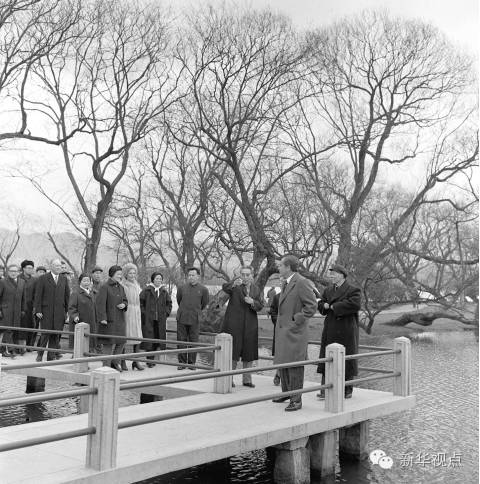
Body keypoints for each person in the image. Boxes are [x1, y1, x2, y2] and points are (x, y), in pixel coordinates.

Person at [272, 255, 317, 412]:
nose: (278, 268)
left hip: (295, 332)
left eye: (280, 265)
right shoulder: (286, 282)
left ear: (288, 267)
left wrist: (296, 319)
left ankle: (296, 400)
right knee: (284, 364)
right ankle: (286, 394)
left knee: (295, 366)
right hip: (284, 332)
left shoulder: (302, 282)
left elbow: (312, 306)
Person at [316, 264, 361, 400]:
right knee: (327, 358)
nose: (331, 276)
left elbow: (354, 305)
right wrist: (323, 305)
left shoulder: (353, 290)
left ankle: (347, 389)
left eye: (334, 274)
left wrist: (333, 306)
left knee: (347, 358)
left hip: (346, 329)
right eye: (331, 274)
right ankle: (325, 389)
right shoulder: (328, 290)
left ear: (342, 275)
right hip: (330, 327)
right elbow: (321, 303)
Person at [222, 266, 263, 388]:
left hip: (250, 325)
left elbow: (260, 306)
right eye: (243, 274)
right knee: (233, 352)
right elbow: (225, 287)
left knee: (249, 353)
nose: (245, 277)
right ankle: (229, 379)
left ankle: (247, 380)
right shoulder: (235, 286)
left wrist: (253, 302)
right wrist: (233, 283)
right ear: (240, 275)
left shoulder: (256, 289)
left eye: (247, 275)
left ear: (252, 276)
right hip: (234, 324)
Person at [34, 259, 70, 361]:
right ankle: (40, 355)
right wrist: (38, 310)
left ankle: (51, 356)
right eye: (56, 266)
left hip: (59, 312)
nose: (59, 268)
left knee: (55, 335)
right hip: (46, 311)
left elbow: (67, 296)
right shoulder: (43, 278)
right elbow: (38, 295)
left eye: (60, 266)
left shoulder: (64, 279)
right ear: (51, 266)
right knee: (45, 334)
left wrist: (66, 311)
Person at [95, 265, 128, 372]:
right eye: (118, 274)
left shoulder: (121, 287)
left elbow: (125, 300)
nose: (120, 276)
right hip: (108, 321)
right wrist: (102, 318)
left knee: (121, 341)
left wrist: (124, 304)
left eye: (121, 274)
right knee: (108, 344)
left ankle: (115, 362)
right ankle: (106, 367)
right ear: (112, 274)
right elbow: (100, 304)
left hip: (120, 320)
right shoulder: (105, 287)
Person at [176, 267, 209, 370]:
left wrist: (196, 311)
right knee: (181, 341)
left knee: (193, 341)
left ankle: (191, 363)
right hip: (182, 318)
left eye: (193, 275)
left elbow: (204, 303)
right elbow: (179, 300)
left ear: (198, 276)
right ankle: (182, 363)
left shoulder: (203, 289)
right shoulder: (181, 288)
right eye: (189, 275)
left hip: (195, 319)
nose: (191, 277)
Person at [140, 272, 172, 368]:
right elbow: (140, 303)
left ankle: (152, 359)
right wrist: (144, 314)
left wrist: (166, 313)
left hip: (160, 321)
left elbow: (169, 304)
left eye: (160, 279)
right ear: (153, 279)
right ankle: (149, 360)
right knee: (149, 340)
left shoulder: (164, 291)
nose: (159, 280)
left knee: (157, 340)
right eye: (157, 278)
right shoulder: (146, 290)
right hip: (149, 320)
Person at [121, 263, 144, 371]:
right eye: (130, 273)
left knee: (137, 336)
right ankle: (122, 361)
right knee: (125, 336)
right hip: (127, 312)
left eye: (134, 273)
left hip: (137, 312)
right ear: (126, 274)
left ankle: (136, 361)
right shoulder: (123, 285)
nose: (132, 275)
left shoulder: (137, 285)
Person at [0, 264, 26, 357]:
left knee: (13, 330)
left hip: (17, 311)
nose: (13, 273)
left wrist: (23, 309)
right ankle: (10, 350)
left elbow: (23, 297)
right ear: (8, 272)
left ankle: (4, 349)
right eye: (11, 271)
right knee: (8, 330)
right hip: (5, 310)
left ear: (19, 272)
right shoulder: (3, 282)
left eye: (15, 271)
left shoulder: (22, 282)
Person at [68, 273, 96, 352]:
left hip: (91, 321)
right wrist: (75, 316)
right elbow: (71, 307)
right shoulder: (76, 293)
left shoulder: (92, 293)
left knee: (89, 343)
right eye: (84, 281)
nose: (86, 283)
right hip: (80, 321)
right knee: (79, 344)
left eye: (88, 281)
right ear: (80, 281)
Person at [18, 260, 36, 350]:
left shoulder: (34, 280)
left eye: (32, 268)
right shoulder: (18, 278)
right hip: (19, 306)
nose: (31, 270)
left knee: (31, 325)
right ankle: (20, 347)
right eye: (29, 268)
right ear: (23, 269)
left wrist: (35, 306)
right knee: (21, 326)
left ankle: (29, 346)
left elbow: (36, 294)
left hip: (30, 306)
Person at [267, 282, 282, 386]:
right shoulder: (277, 297)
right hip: (279, 329)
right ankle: (278, 373)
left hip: (292, 329)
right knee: (279, 353)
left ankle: (283, 375)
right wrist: (278, 322)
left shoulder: (296, 296)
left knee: (290, 354)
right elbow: (273, 311)